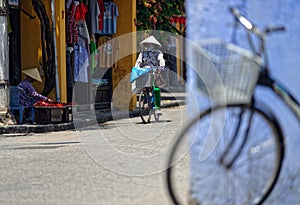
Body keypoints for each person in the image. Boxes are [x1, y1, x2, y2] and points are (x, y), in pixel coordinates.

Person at [135, 35, 166, 114]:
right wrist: (137, 68)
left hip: (155, 72)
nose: (148, 46)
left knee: (156, 88)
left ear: (154, 45)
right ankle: (146, 101)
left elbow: (161, 60)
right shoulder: (142, 53)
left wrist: (161, 66)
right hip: (145, 72)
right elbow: (138, 62)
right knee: (143, 86)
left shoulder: (158, 53)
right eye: (147, 44)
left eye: (150, 44)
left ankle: (157, 107)